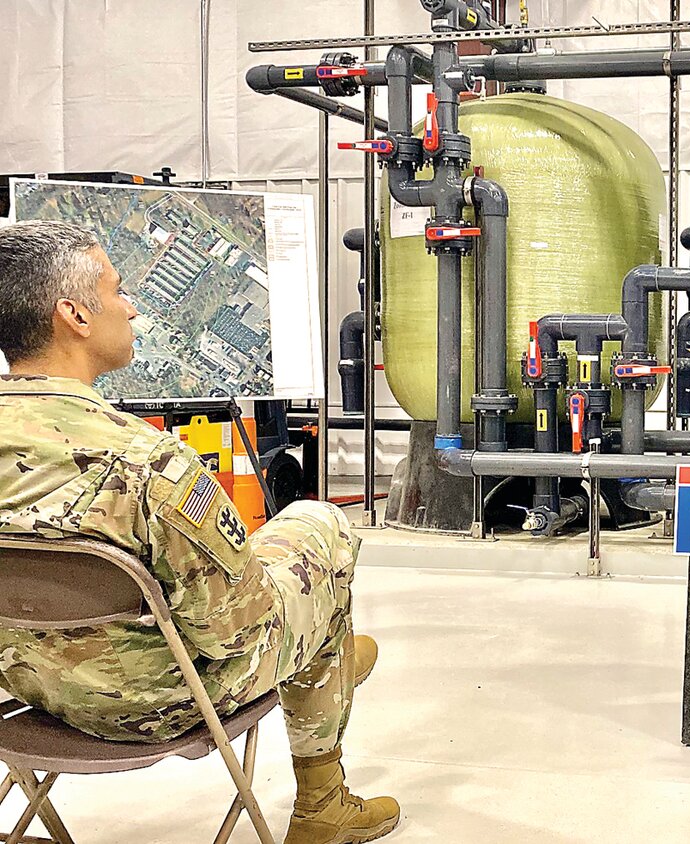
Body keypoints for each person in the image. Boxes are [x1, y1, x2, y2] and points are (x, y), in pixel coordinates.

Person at [0, 221, 398, 844]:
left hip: (21, 694)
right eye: (119, 290)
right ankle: (324, 804)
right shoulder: (148, 462)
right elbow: (236, 629)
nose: (131, 308)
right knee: (317, 530)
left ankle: (330, 655)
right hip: (159, 703)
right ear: (75, 315)